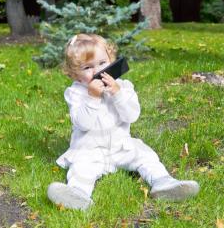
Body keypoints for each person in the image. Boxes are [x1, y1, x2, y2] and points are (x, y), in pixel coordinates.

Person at [47, 33, 199, 210]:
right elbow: (83, 123)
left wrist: (117, 93)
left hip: (121, 147)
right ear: (75, 74)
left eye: (102, 63)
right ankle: (78, 194)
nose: (97, 72)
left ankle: (163, 183)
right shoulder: (76, 93)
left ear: (111, 60)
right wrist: (92, 98)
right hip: (90, 150)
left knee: (145, 154)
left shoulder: (123, 86)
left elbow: (132, 116)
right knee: (81, 167)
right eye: (88, 67)